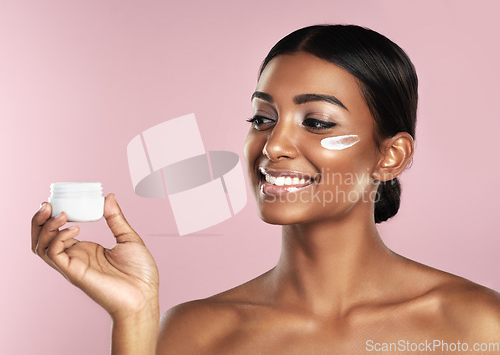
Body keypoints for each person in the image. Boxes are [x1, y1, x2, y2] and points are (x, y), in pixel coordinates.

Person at [31, 25, 500, 354]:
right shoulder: (195, 333)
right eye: (262, 119)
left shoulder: (476, 325)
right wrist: (133, 317)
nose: (273, 145)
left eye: (316, 121)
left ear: (389, 156)